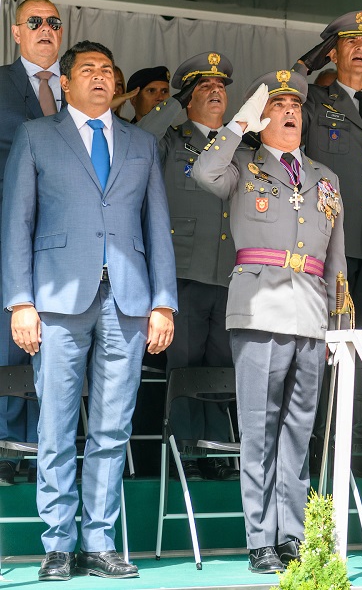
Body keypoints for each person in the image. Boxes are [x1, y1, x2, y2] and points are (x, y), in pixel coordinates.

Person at [2, 40, 177, 581]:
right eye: (88, 71)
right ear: (66, 82)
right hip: (55, 300)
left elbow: (157, 228)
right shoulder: (36, 137)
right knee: (55, 425)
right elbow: (16, 225)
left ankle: (99, 542)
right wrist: (20, 301)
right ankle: (58, 544)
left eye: (107, 70)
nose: (100, 78)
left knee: (111, 428)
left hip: (127, 300)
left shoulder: (139, 144)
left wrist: (164, 302)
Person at [192, 70, 347, 574]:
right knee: (258, 429)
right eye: (278, 106)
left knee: (299, 431)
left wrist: (338, 321)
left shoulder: (326, 177)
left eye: (295, 106)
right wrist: (240, 122)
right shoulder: (242, 164)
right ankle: (259, 537)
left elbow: (337, 256)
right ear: (263, 118)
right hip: (259, 307)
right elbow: (203, 173)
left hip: (310, 311)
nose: (288, 113)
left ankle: (290, 535)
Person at [135, 52, 241, 481]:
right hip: (183, 272)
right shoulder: (170, 139)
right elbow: (138, 135)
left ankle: (215, 449)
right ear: (187, 97)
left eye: (221, 87)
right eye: (204, 87)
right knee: (185, 366)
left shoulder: (239, 145)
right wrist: (173, 103)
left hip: (229, 273)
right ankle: (183, 451)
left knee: (219, 366)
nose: (216, 92)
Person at [294, 10, 362, 350]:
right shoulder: (312, 99)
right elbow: (278, 96)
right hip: (328, 243)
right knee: (324, 337)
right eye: (350, 41)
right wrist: (304, 64)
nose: (360, 47)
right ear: (332, 51)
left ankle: (360, 404)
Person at [0, 0, 63, 487]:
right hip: (8, 238)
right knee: (8, 350)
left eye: (54, 23)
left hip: (65, 250)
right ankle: (6, 451)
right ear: (17, 32)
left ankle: (48, 451)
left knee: (56, 351)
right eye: (36, 22)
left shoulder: (82, 89)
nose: (46, 29)